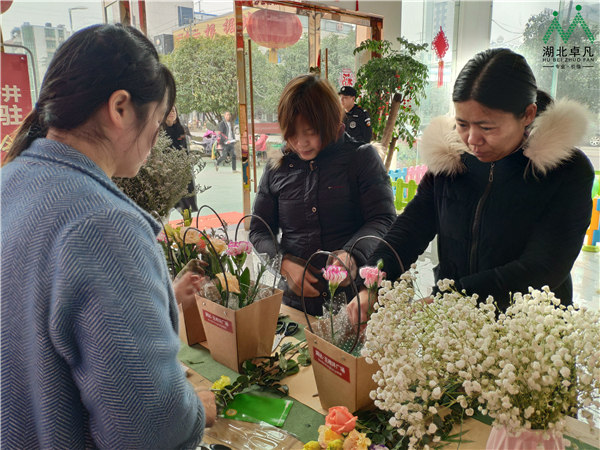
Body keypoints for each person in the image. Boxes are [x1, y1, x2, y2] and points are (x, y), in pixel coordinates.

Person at [1, 24, 216, 449]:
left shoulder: (11, 181)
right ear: (120, 107)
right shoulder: (102, 225)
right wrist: (193, 408)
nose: (154, 142)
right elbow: (148, 426)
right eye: (156, 122)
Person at [347, 48, 595, 324]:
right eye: (462, 124)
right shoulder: (452, 159)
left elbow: (544, 266)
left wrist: (453, 297)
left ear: (527, 114)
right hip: (455, 327)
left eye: (487, 127)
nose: (472, 139)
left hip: (530, 334)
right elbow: (410, 228)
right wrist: (373, 280)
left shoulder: (565, 172)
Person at [249, 74, 396, 316]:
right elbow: (259, 229)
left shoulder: (360, 158)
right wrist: (283, 263)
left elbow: (383, 219)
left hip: (351, 305)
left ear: (330, 122)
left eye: (310, 132)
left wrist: (352, 254)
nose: (301, 143)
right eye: (292, 134)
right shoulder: (278, 167)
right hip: (295, 305)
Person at [164, 105, 198, 212]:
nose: (172, 113)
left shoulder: (181, 129)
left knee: (186, 205)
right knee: (166, 206)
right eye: (169, 111)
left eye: (174, 111)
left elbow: (185, 150)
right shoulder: (160, 131)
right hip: (167, 171)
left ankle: (187, 225)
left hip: (182, 170)